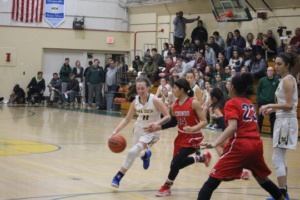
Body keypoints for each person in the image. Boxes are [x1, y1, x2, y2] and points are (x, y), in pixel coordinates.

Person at [198, 73, 287, 200]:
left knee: (211, 181)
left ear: (232, 87)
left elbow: (233, 126)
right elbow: (256, 127)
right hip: (256, 144)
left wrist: (215, 143)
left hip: (241, 146)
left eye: (229, 83)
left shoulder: (231, 103)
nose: (227, 85)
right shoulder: (249, 103)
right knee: (262, 179)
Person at [144, 78, 211, 197]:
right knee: (175, 164)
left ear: (182, 89)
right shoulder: (175, 105)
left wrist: (193, 129)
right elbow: (173, 123)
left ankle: (166, 187)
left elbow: (205, 121)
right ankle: (201, 158)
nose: (173, 90)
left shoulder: (193, 103)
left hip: (193, 137)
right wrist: (156, 127)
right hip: (181, 136)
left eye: (175, 88)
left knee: (176, 162)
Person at [110, 77, 171, 188]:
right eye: (138, 89)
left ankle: (118, 177)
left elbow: (167, 116)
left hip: (151, 131)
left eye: (143, 88)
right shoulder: (135, 102)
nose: (140, 91)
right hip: (138, 128)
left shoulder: (155, 100)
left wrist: (157, 123)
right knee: (136, 153)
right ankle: (145, 155)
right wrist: (115, 131)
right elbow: (127, 119)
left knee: (132, 152)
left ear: (148, 88)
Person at [260, 52, 298, 200]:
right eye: (275, 64)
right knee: (281, 157)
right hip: (283, 120)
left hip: (286, 122)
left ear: (287, 65)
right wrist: (273, 109)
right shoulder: (283, 80)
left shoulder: (288, 80)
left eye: (279, 64)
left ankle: (281, 195)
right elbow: (285, 105)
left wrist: (270, 104)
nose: (275, 67)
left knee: (277, 158)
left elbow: (289, 105)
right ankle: (284, 193)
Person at [256, 67, 279, 137]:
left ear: (273, 72)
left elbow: (278, 92)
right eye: (268, 70)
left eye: (271, 70)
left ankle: (273, 135)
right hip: (262, 101)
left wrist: (276, 102)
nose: (270, 72)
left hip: (272, 102)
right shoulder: (262, 80)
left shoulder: (276, 81)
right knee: (260, 118)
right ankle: (257, 134)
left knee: (273, 119)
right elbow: (258, 90)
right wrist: (259, 99)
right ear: (266, 72)